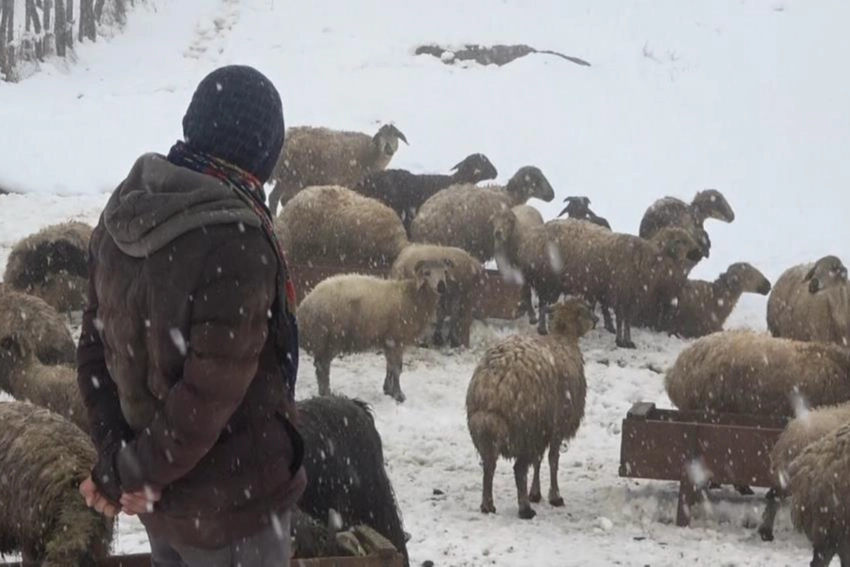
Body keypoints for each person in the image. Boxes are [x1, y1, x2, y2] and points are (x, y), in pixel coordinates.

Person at [76, 65, 306, 567]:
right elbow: (210, 393)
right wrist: (135, 472)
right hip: (236, 506)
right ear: (265, 150)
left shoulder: (126, 214)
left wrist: (122, 465)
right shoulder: (239, 241)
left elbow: (96, 352)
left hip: (165, 507)